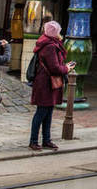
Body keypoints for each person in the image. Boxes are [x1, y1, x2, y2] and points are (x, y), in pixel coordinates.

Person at [29, 20, 70, 151]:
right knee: (41, 112)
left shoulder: (47, 42)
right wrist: (67, 68)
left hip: (47, 83)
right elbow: (55, 68)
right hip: (46, 83)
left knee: (48, 112)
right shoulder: (50, 46)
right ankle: (34, 141)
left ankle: (46, 139)